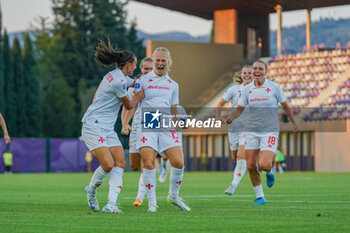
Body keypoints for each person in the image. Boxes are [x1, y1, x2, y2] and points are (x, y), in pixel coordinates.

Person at [82, 39, 144, 213]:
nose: (136, 68)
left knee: (120, 163)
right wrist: (138, 95)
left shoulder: (118, 76)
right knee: (108, 164)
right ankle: (91, 191)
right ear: (129, 65)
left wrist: (138, 82)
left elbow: (130, 82)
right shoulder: (118, 82)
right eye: (135, 65)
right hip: (93, 126)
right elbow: (129, 105)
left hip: (107, 128)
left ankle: (111, 204)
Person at [226, 60, 298, 205]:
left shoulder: (274, 87)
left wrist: (293, 122)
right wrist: (231, 117)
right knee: (251, 165)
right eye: (255, 69)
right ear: (252, 72)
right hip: (251, 131)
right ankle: (260, 197)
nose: (257, 71)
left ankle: (269, 172)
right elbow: (240, 108)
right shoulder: (247, 89)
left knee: (264, 164)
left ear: (265, 72)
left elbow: (285, 105)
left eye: (260, 69)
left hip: (269, 131)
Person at [135, 47, 190, 212]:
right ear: (153, 62)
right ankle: (152, 203)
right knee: (149, 162)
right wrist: (126, 123)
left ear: (168, 63)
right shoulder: (143, 81)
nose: (160, 63)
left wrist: (176, 126)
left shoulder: (173, 85)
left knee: (179, 162)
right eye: (157, 60)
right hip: (149, 121)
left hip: (166, 123)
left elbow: (174, 108)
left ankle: (173, 197)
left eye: (163, 60)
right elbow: (133, 103)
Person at [120, 57, 153, 207]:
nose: (148, 71)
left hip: (152, 123)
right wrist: (125, 124)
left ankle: (140, 197)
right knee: (134, 165)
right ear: (141, 69)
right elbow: (127, 107)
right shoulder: (134, 86)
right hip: (136, 126)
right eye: (146, 68)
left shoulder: (159, 86)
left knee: (146, 161)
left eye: (151, 69)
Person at [216, 65, 253, 195]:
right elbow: (220, 103)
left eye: (250, 73)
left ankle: (233, 185)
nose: (247, 75)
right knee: (235, 158)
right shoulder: (234, 89)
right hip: (234, 129)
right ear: (241, 75)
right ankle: (247, 167)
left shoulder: (258, 90)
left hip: (249, 128)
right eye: (245, 73)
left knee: (241, 156)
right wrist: (218, 117)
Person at [158, 105, 188, 183]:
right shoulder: (160, 106)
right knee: (164, 157)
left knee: (178, 161)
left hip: (176, 136)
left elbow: (186, 125)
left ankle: (175, 188)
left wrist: (178, 124)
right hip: (163, 135)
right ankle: (164, 170)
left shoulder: (180, 108)